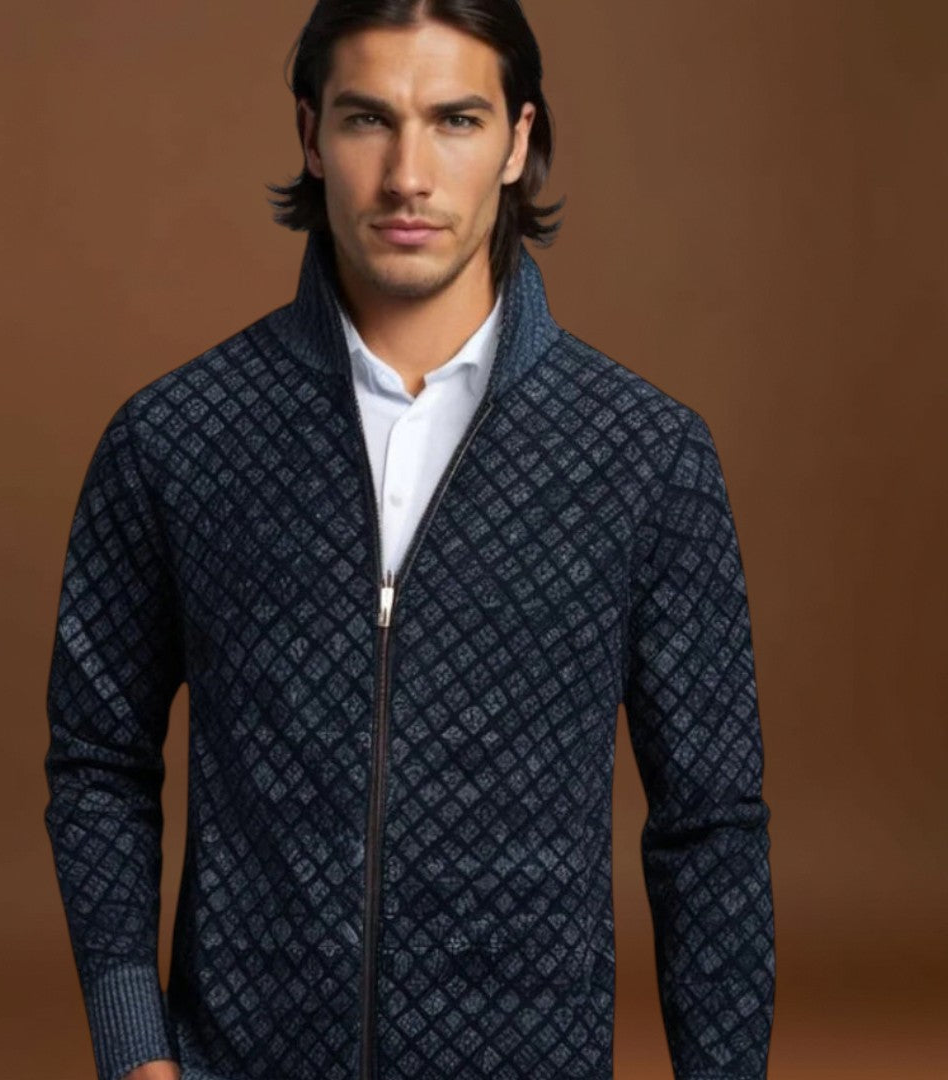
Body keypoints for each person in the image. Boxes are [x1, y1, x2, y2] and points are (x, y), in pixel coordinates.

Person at [43, 2, 776, 1078]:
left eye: (456, 120)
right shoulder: (178, 438)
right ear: (310, 134)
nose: (407, 177)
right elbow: (99, 762)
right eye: (368, 119)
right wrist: (133, 1053)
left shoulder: (643, 455)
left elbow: (709, 825)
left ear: (519, 140)